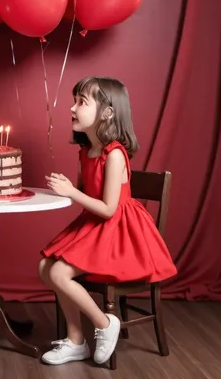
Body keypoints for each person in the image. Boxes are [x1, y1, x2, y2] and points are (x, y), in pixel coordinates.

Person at [39, 76, 177, 366]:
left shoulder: (114, 154)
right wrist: (69, 192)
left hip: (118, 231)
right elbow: (88, 197)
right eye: (74, 101)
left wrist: (72, 192)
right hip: (95, 224)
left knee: (59, 273)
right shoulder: (86, 152)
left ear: (108, 112)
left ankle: (103, 323)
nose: (72, 108)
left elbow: (109, 209)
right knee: (45, 267)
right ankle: (76, 341)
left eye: (81, 102)